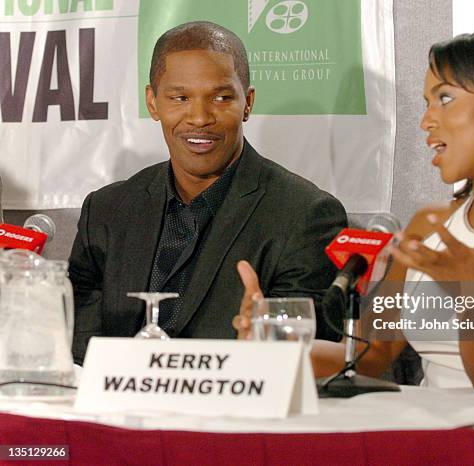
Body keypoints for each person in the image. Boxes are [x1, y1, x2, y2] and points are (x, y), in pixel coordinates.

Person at [238, 26, 474, 390]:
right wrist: (276, 346)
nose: (426, 121)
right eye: (426, 103)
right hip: (431, 437)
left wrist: (471, 292)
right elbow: (369, 352)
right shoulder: (428, 225)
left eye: (445, 98)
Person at [69, 21, 347, 365]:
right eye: (180, 98)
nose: (199, 117)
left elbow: (314, 355)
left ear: (247, 103)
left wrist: (266, 340)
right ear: (153, 103)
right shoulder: (107, 211)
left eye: (220, 97)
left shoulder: (305, 215)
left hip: (237, 412)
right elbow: (80, 348)